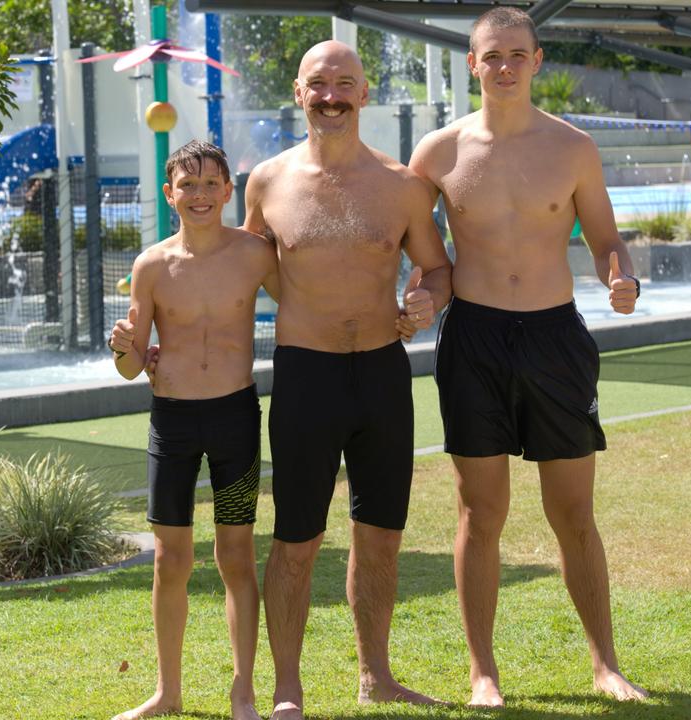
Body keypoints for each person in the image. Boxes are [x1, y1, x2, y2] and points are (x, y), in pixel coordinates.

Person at [408, 6, 647, 707]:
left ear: (537, 61)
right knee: (479, 512)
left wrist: (620, 275)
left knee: (572, 512)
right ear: (473, 64)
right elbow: (411, 245)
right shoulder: (439, 153)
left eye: (517, 54)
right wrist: (418, 292)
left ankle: (604, 663)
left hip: (553, 337)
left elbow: (606, 237)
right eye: (491, 56)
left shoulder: (571, 147)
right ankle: (482, 671)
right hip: (474, 337)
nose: (504, 66)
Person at [242, 40, 453, 720]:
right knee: (295, 539)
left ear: (364, 95)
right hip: (305, 375)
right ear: (299, 94)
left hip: (382, 375)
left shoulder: (401, 186)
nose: (330, 94)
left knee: (380, 536)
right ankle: (286, 687)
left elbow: (438, 268)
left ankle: (376, 676)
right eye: (317, 83)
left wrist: (427, 299)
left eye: (344, 83)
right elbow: (241, 271)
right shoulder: (267, 182)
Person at [109, 139, 279, 720]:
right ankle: (167, 692)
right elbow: (132, 366)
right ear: (169, 194)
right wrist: (125, 350)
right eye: (188, 185)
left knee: (236, 554)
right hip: (174, 423)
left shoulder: (255, 255)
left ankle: (243, 689)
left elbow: (305, 308)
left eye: (211, 184)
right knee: (169, 559)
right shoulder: (152, 265)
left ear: (229, 191)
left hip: (234, 417)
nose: (200, 195)